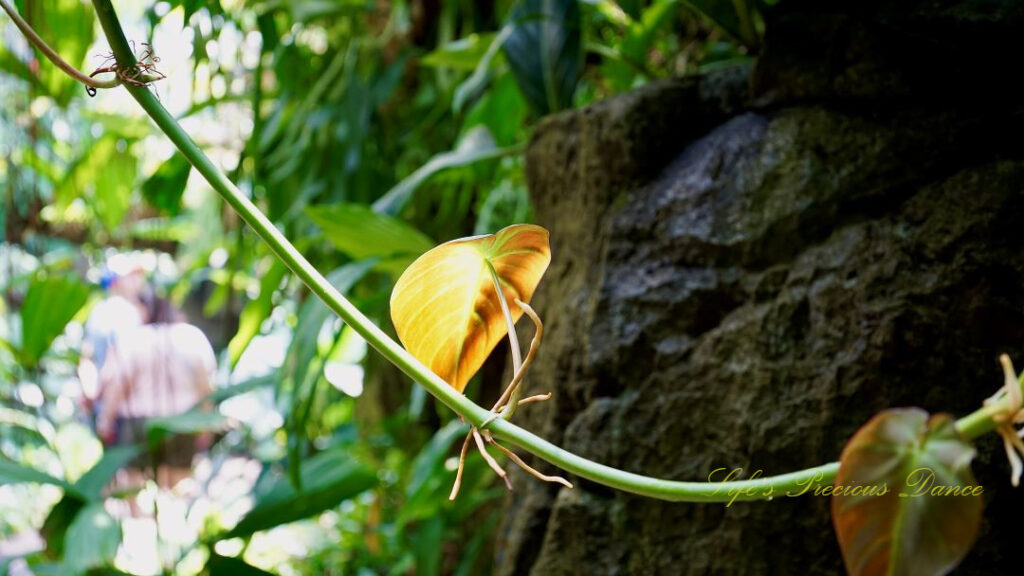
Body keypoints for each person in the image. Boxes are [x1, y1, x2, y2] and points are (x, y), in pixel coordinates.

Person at [96, 290, 217, 491]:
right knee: (178, 486)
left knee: (133, 486)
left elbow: (117, 386)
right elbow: (206, 387)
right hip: (183, 421)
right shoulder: (193, 337)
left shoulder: (133, 339)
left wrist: (105, 422)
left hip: (138, 423)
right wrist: (206, 424)